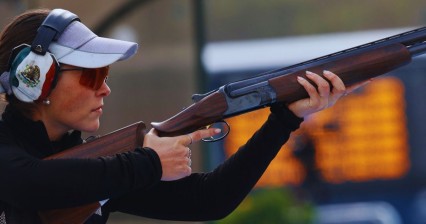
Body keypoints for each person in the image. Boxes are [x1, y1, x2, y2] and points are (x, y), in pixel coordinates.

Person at [0, 8, 364, 224]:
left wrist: (283, 119)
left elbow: (210, 200)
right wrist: (150, 163)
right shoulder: (16, 159)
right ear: (34, 80)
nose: (104, 90)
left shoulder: (97, 167)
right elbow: (24, 182)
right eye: (91, 76)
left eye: (105, 76)